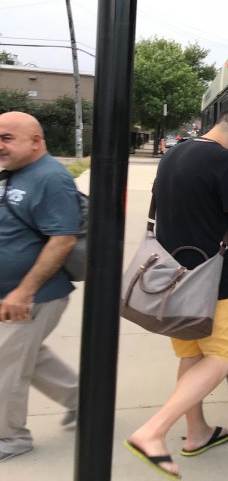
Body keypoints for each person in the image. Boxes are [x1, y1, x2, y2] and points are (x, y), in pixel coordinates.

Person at [125, 107, 228, 480]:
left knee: (193, 354)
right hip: (211, 281)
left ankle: (197, 432)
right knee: (226, 356)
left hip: (173, 280)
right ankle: (152, 432)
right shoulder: (226, 162)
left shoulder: (175, 153)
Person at [0, 111, 80, 462]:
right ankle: (82, 399)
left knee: (6, 367)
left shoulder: (51, 178)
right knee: (26, 355)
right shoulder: (15, 173)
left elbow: (62, 240)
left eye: (6, 138)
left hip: (32, 296)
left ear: (35, 141)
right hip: (11, 293)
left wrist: (23, 291)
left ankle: (10, 439)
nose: (0, 145)